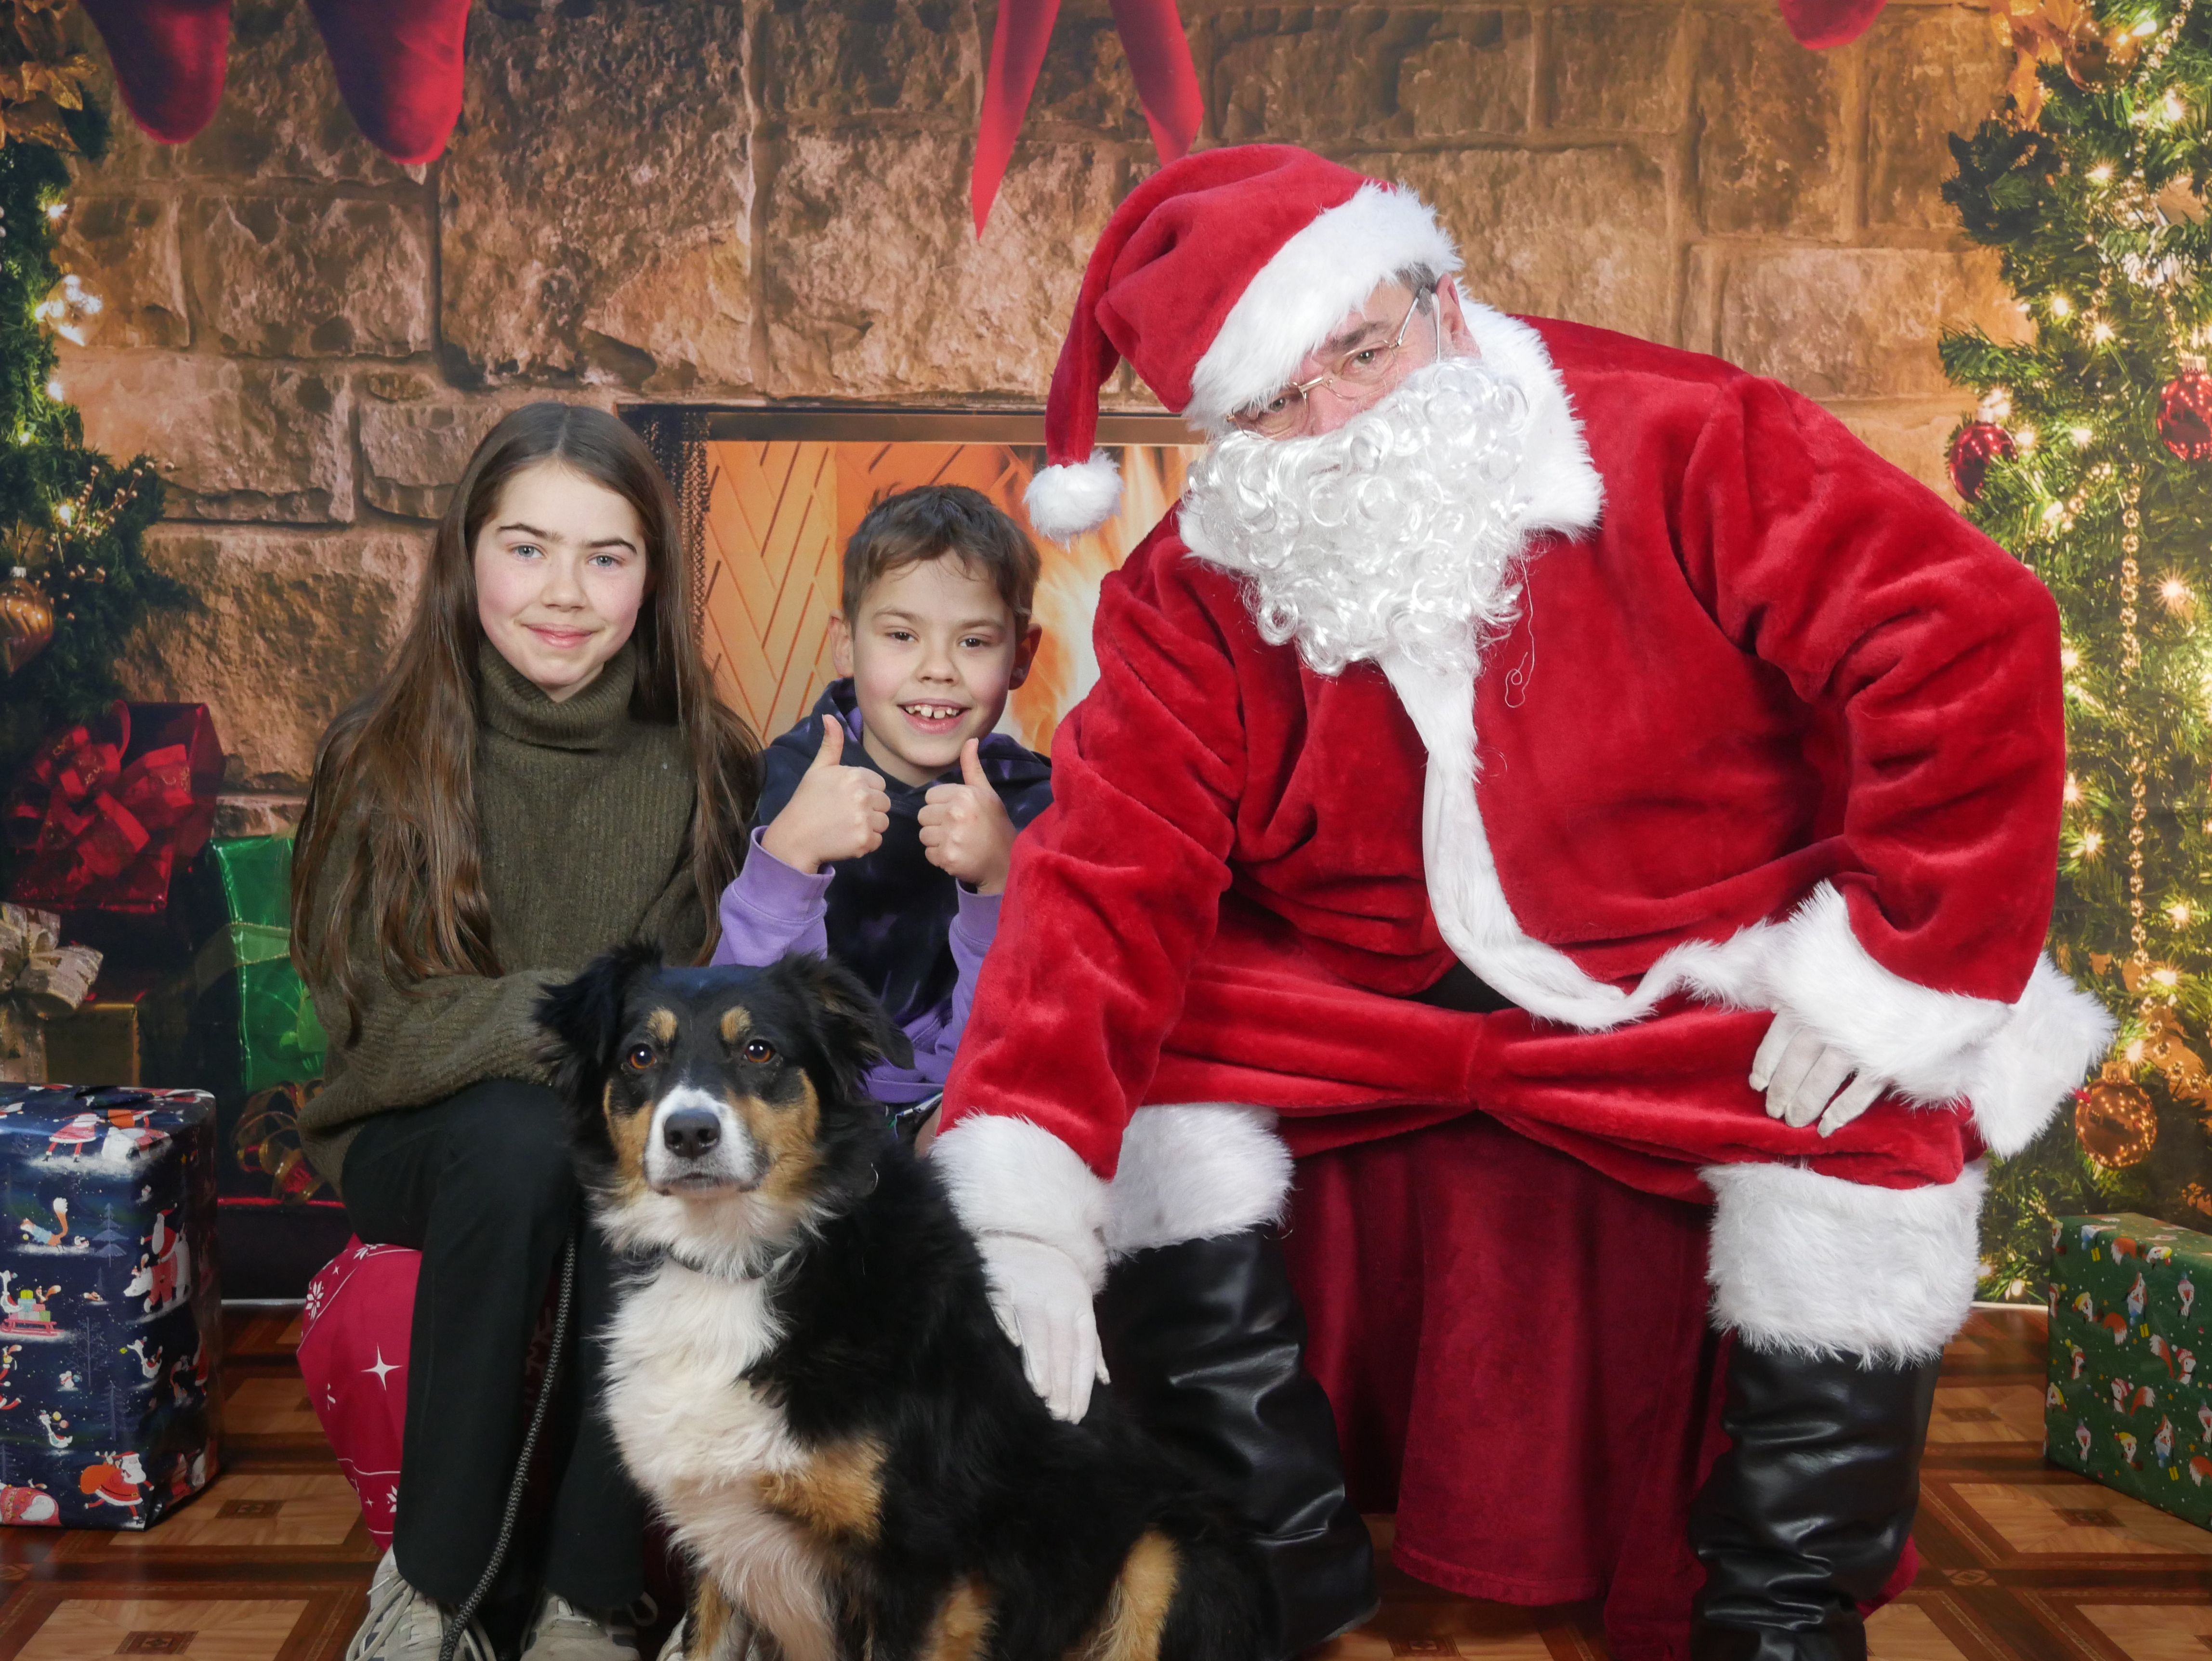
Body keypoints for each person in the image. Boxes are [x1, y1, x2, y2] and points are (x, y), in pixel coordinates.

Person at [929, 145, 2114, 1661]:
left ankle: (1776, 1617)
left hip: (1686, 970)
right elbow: (1105, 869)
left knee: (1868, 1145)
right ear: (1222, 429)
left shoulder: (1685, 438)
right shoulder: (1199, 583)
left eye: (1362, 348)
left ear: (1441, 291)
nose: (1342, 417)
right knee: (1158, 1088)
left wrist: (1902, 960)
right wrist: (1029, 1202)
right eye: (1279, 402)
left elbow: (1971, 631)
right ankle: (1264, 1580)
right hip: (1360, 1003)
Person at [291, 403, 759, 1661]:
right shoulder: (383, 759)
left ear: (652, 579)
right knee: (513, 1131)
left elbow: (703, 1019)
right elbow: (377, 1032)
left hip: (612, 1142)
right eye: (528, 547)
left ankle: (587, 1607)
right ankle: (435, 1595)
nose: (566, 591)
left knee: (608, 1157)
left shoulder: (708, 767)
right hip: (415, 1139)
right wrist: (587, 1016)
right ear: (466, 556)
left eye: (608, 556)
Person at [711, 485, 1051, 1123]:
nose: (938, 669)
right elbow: (733, 1034)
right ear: (846, 643)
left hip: (963, 1111)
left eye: (974, 642)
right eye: (901, 635)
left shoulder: (1039, 807)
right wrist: (787, 861)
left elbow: (1020, 1053)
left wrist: (1003, 885)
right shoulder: (767, 785)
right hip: (798, 1110)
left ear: (1021, 656)